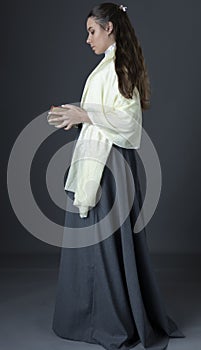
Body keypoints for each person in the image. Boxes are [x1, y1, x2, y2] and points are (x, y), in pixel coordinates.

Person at [50, 3, 185, 350]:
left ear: (109, 28)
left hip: (111, 167)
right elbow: (103, 114)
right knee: (96, 243)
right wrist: (76, 117)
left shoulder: (118, 66)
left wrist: (87, 115)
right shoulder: (107, 67)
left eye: (92, 31)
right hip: (102, 161)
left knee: (105, 245)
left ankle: (107, 322)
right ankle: (93, 319)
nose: (87, 38)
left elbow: (128, 122)